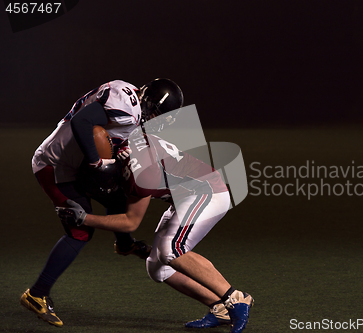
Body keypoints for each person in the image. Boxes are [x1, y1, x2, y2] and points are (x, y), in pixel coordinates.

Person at [21, 78, 184, 327]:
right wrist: (98, 162)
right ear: (147, 102)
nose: (154, 118)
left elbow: (109, 133)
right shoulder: (128, 107)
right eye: (155, 113)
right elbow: (82, 121)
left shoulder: (129, 99)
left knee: (118, 193)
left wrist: (117, 152)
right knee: (80, 231)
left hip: (75, 165)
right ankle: (37, 294)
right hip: (56, 167)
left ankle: (124, 244)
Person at [57, 127, 254, 333]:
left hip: (206, 191)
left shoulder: (138, 172)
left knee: (173, 249)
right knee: (158, 268)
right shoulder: (124, 141)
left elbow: (130, 221)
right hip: (184, 196)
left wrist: (84, 219)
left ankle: (236, 298)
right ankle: (219, 307)